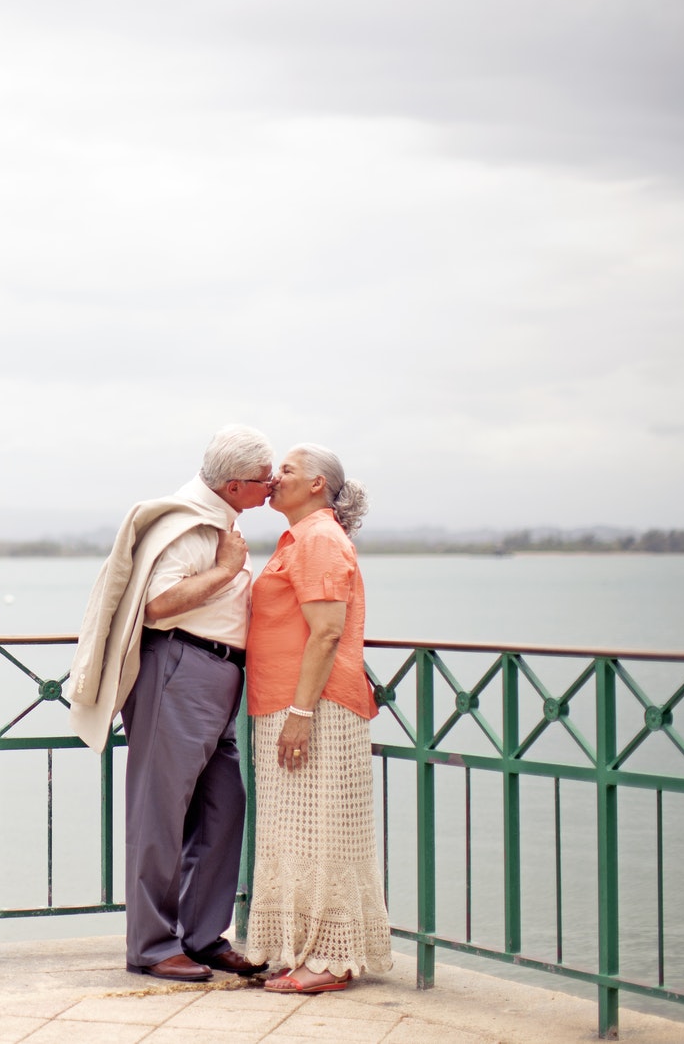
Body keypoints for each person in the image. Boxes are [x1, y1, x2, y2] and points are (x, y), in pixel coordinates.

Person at [69, 424, 275, 982]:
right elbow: (158, 606)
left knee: (222, 807)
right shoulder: (190, 528)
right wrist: (227, 571)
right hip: (179, 668)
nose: (272, 485)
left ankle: (204, 935)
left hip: (215, 675)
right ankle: (154, 947)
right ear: (234, 485)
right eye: (263, 479)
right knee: (159, 812)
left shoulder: (218, 520)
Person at [243, 443, 393, 993]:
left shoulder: (321, 539)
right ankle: (306, 950)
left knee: (324, 834)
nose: (273, 477)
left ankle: (330, 962)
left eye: (287, 469)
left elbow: (327, 632)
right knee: (295, 837)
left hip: (317, 710)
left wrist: (301, 713)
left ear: (316, 485)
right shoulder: (301, 538)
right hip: (286, 706)